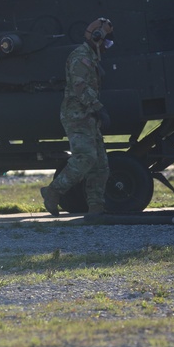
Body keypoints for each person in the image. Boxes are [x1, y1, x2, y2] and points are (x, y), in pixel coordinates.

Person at [41, 18, 114, 217]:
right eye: (107, 41)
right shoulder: (80, 57)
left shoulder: (91, 57)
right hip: (77, 115)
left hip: (88, 116)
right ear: (97, 37)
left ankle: (96, 208)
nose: (108, 47)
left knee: (100, 165)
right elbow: (80, 86)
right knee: (85, 158)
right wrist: (99, 108)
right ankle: (53, 192)